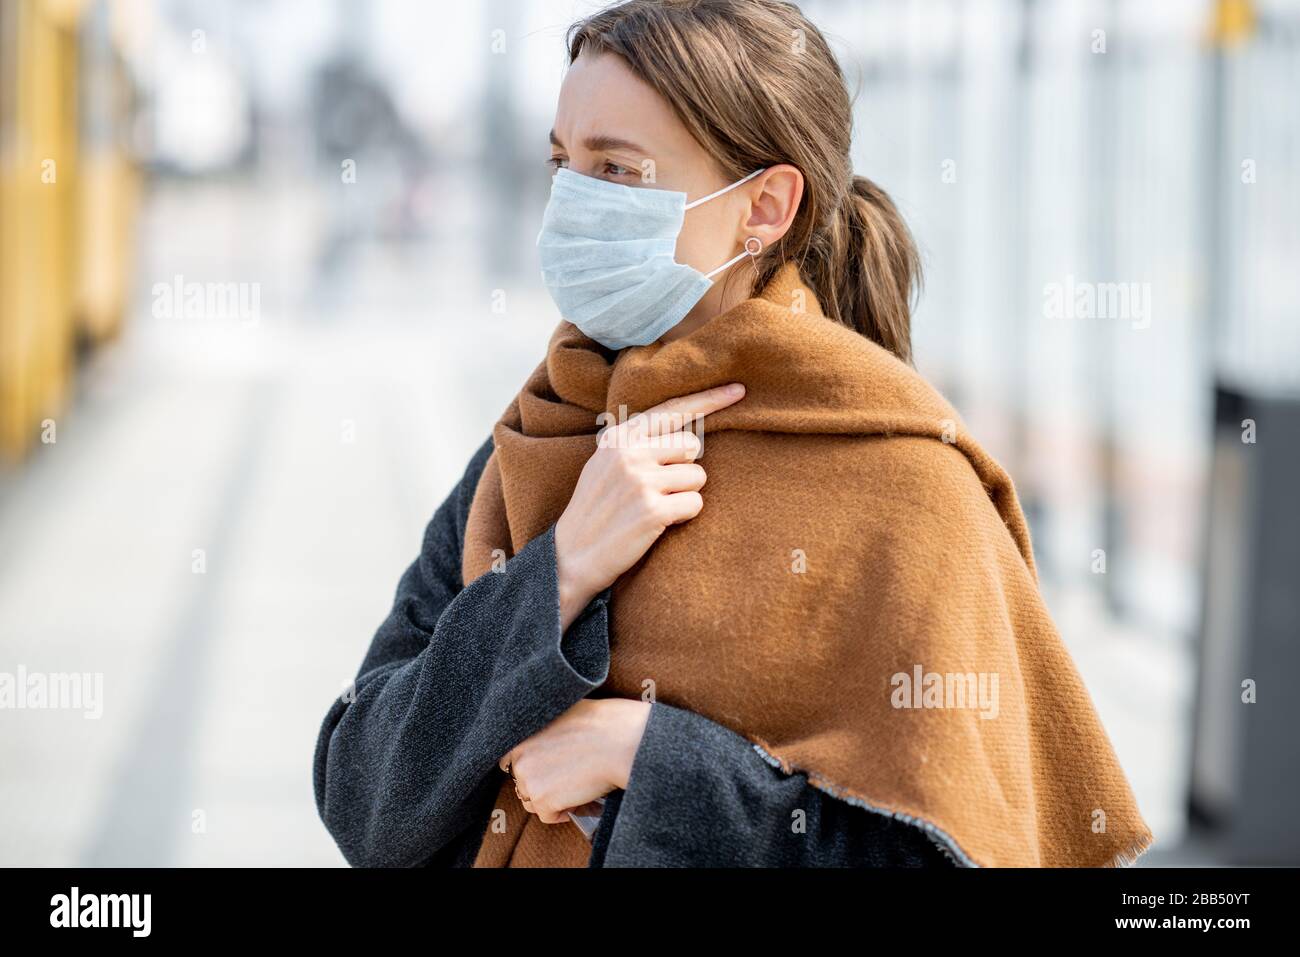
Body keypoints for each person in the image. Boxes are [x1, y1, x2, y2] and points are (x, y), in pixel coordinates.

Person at [313, 0, 1152, 869]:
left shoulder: (908, 489)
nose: (572, 203)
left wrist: (655, 763)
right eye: (563, 163)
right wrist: (554, 578)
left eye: (619, 170)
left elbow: (955, 854)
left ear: (764, 206)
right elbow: (365, 803)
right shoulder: (535, 441)